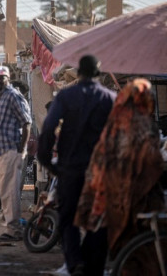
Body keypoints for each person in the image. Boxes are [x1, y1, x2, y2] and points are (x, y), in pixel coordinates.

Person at [74, 78, 164, 276]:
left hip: (105, 194)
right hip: (132, 196)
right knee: (140, 247)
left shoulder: (113, 122)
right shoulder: (144, 126)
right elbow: (151, 164)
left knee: (104, 240)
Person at [37, 55, 116, 276]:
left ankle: (75, 263)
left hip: (70, 169)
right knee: (98, 219)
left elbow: (49, 128)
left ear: (79, 73)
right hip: (100, 172)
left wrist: (46, 161)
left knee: (68, 218)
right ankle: (93, 266)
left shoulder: (65, 96)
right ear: (97, 75)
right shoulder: (110, 98)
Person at [0, 65, 32, 242]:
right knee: (5, 192)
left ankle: (14, 231)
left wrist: (22, 149)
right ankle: (11, 227)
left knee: (11, 192)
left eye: (1, 78)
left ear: (8, 78)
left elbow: (26, 123)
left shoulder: (13, 95)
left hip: (10, 151)